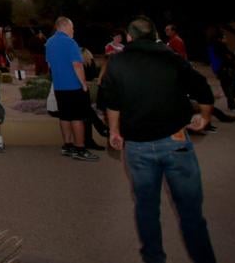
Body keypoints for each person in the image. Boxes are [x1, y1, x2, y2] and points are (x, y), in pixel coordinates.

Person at [101, 16, 217, 263]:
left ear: (129, 37)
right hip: (176, 142)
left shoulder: (117, 63)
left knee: (146, 207)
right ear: (154, 34)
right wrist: (204, 117)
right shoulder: (171, 58)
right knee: (190, 212)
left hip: (138, 146)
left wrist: (114, 131)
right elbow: (202, 87)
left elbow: (111, 102)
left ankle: (154, 258)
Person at [45, 17, 98, 161]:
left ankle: (67, 145)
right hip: (73, 86)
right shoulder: (70, 42)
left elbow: (49, 65)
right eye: (72, 27)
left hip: (59, 86)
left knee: (64, 116)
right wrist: (84, 84)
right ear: (65, 26)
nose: (73, 30)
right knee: (77, 118)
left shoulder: (49, 43)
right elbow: (77, 65)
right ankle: (80, 148)